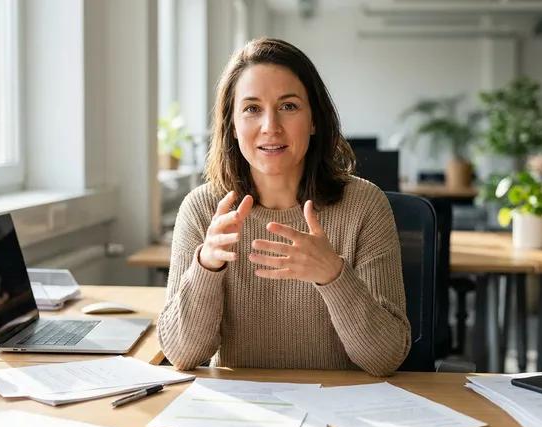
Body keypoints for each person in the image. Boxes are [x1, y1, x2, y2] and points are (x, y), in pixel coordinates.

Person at [157, 37, 411, 377]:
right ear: (232, 126)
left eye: (288, 106)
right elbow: (181, 354)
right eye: (251, 109)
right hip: (241, 413)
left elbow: (385, 358)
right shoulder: (203, 209)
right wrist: (206, 266)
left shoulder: (365, 205)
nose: (270, 127)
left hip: (339, 412)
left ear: (315, 120)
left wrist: (333, 275)